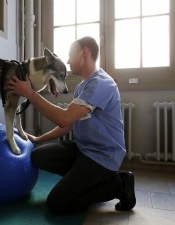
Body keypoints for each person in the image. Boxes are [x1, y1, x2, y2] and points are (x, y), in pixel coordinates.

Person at [8, 36, 136, 215]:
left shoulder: (102, 83)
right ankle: (82, 183)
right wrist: (39, 138)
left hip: (102, 157)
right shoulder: (81, 87)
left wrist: (29, 93)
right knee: (39, 156)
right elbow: (68, 125)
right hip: (83, 150)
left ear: (84, 53)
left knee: (57, 204)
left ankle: (119, 184)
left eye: (70, 55)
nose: (67, 61)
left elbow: (64, 119)